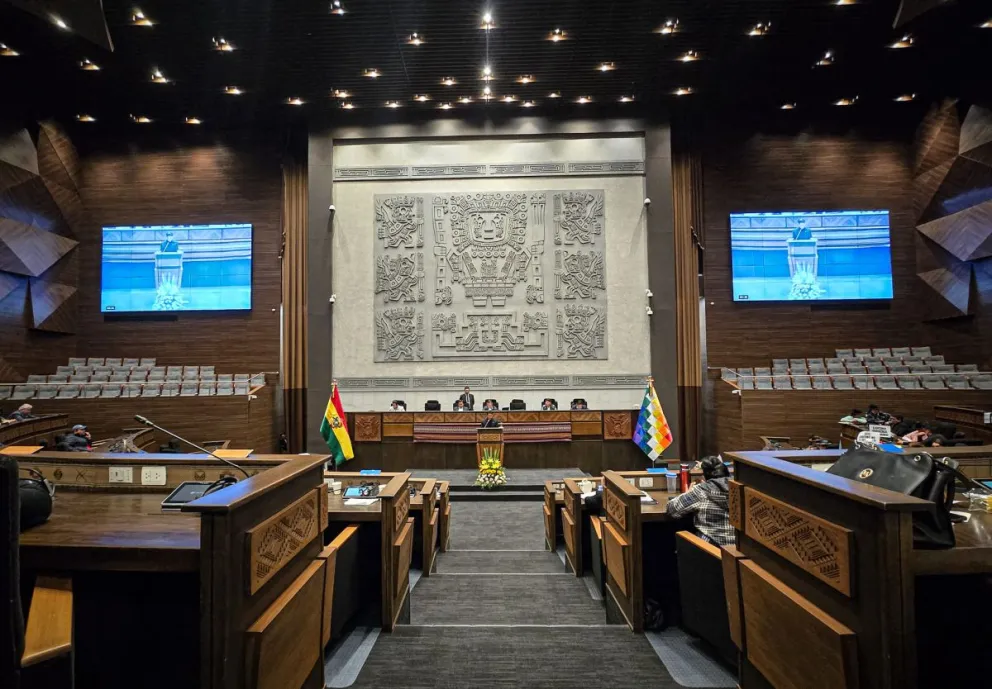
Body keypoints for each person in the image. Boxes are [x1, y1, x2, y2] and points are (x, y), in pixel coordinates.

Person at [665, 456, 734, 547]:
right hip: (737, 551)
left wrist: (689, 492)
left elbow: (672, 509)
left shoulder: (702, 490)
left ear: (704, 477)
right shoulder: (737, 491)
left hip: (710, 550)